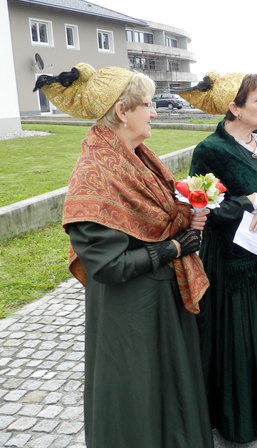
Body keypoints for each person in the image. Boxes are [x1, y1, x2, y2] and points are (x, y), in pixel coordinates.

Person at [35, 63, 213, 448]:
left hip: (160, 302)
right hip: (130, 313)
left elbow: (156, 215)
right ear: (122, 111)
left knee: (169, 394)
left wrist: (186, 217)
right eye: (147, 104)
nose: (153, 112)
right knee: (139, 402)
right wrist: (174, 247)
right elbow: (108, 265)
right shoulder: (96, 171)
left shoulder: (137, 156)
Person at [180, 71, 257, 443]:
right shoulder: (209, 150)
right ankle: (240, 416)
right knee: (239, 335)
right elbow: (205, 206)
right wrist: (247, 202)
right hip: (232, 261)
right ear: (234, 107)